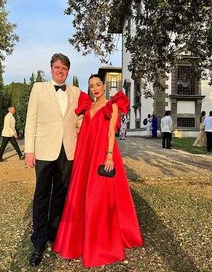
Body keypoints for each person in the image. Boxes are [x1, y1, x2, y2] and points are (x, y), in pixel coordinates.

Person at [53, 74, 143, 268]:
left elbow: (112, 132)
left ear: (104, 85)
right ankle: (79, 241)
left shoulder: (113, 105)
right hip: (86, 156)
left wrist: (109, 154)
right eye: (91, 86)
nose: (95, 89)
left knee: (99, 198)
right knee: (81, 196)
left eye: (98, 84)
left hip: (103, 154)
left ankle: (101, 244)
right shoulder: (87, 107)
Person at [24, 53, 81, 267]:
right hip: (44, 151)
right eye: (57, 67)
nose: (60, 71)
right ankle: (38, 242)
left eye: (64, 68)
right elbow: (31, 120)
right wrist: (29, 150)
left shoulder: (75, 91)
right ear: (51, 68)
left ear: (68, 71)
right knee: (41, 196)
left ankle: (53, 233)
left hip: (68, 151)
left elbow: (84, 116)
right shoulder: (38, 89)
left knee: (60, 195)